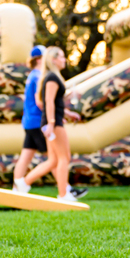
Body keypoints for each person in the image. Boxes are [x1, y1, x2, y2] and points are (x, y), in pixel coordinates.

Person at [13, 47, 86, 201]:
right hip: (40, 121)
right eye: (61, 56)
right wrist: (52, 121)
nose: (64, 59)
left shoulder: (40, 76)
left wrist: (64, 113)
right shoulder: (45, 77)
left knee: (49, 159)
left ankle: (22, 184)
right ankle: (63, 192)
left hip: (36, 121)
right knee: (62, 158)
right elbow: (46, 102)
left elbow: (52, 102)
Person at [13, 45, 47, 192]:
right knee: (53, 158)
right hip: (37, 121)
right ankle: (65, 188)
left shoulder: (32, 75)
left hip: (29, 122)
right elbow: (40, 101)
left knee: (25, 156)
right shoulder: (38, 76)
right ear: (39, 60)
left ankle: (16, 188)